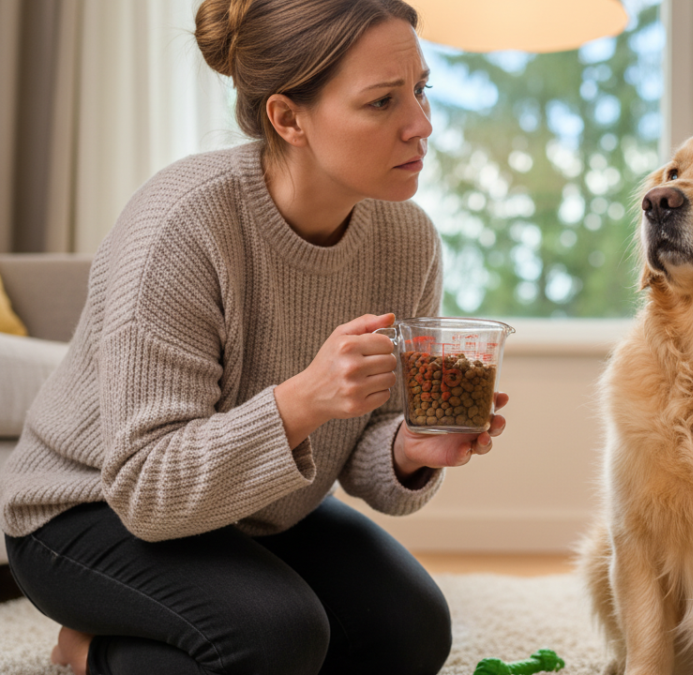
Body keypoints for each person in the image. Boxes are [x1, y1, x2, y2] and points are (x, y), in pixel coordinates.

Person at [0, 1, 509, 673]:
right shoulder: (182, 228)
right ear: (288, 118)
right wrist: (304, 399)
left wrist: (409, 447)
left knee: (410, 632)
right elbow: (147, 489)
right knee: (277, 636)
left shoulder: (405, 239)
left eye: (420, 90)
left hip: (248, 508)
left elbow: (361, 446)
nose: (422, 125)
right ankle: (89, 650)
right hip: (86, 510)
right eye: (383, 102)